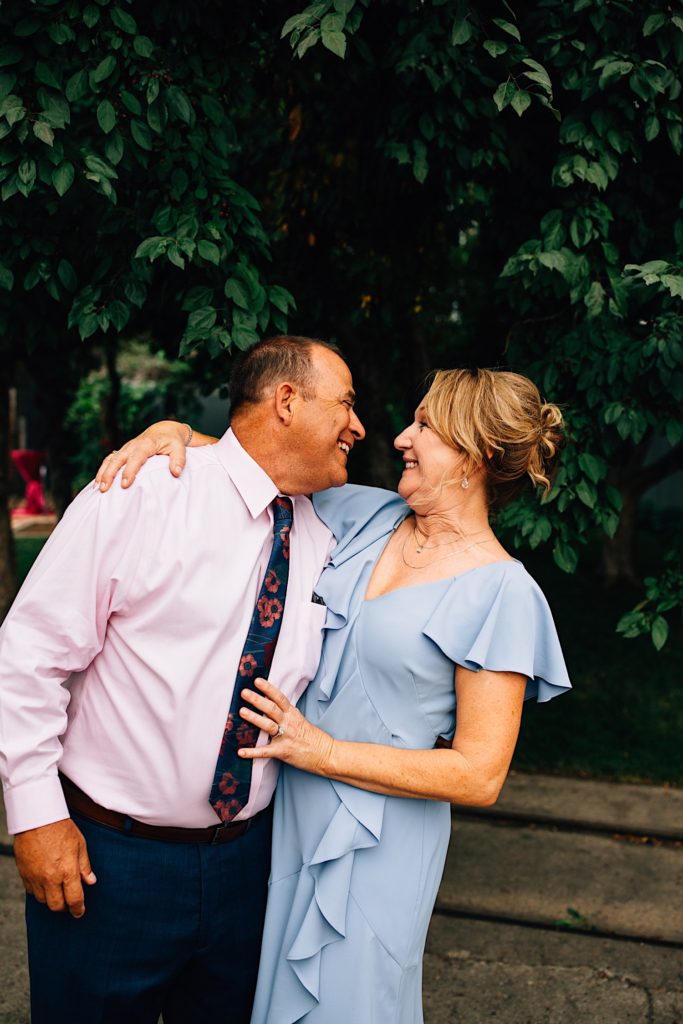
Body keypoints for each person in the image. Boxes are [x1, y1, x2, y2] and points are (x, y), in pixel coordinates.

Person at [99, 366, 571, 1024]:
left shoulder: (502, 594)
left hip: (379, 843)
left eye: (426, 426)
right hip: (279, 821)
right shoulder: (361, 513)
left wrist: (321, 752)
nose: (402, 437)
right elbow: (256, 463)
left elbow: (479, 774)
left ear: (478, 455)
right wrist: (175, 432)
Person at [0, 335, 365, 1024]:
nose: (359, 426)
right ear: (286, 400)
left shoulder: (331, 532)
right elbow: (29, 655)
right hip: (109, 862)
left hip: (250, 866)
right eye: (345, 404)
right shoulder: (141, 494)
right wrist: (36, 816)